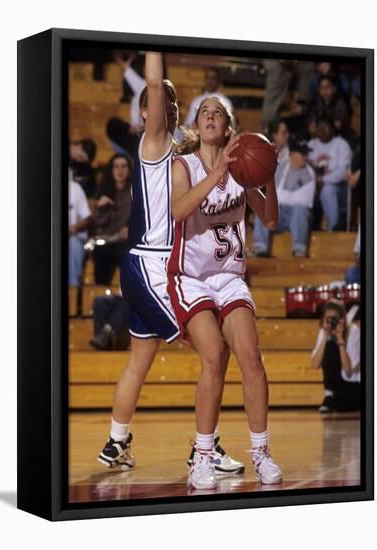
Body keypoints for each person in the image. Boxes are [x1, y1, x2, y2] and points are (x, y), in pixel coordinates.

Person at [97, 53, 243, 477]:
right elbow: (157, 87)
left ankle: (115, 442)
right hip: (153, 266)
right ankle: (205, 448)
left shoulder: (180, 150)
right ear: (146, 110)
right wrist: (154, 44)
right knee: (215, 351)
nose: (172, 107)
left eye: (178, 103)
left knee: (139, 361)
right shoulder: (153, 140)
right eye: (164, 101)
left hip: (149, 266)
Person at [168, 96, 282, 489]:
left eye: (218, 112)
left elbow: (268, 220)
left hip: (230, 276)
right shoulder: (183, 165)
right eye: (205, 112)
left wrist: (267, 173)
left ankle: (262, 453)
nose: (211, 115)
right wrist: (215, 173)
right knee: (215, 355)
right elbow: (179, 211)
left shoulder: (240, 169)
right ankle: (202, 457)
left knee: (251, 357)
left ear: (230, 128)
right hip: (191, 277)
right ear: (197, 128)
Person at [252, 138, 316, 258]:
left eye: (306, 153)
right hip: (279, 214)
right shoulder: (279, 167)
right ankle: (260, 248)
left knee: (300, 209)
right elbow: (272, 195)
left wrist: (282, 196)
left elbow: (305, 201)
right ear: (291, 154)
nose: (305, 156)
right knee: (263, 207)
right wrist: (288, 196)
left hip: (296, 216)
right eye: (302, 153)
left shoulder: (310, 173)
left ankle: (299, 249)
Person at [312, 299, 360, 413]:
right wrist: (325, 336)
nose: (332, 323)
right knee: (328, 346)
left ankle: (332, 399)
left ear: (342, 319)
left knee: (333, 346)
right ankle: (330, 395)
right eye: (329, 319)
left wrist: (340, 340)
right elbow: (315, 364)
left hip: (353, 385)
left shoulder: (353, 330)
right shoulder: (324, 331)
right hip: (335, 387)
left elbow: (349, 370)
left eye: (335, 319)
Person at [93, 153, 132, 285]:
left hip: (126, 242)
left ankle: (126, 294)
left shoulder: (135, 192)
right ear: (111, 170)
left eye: (123, 166)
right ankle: (101, 292)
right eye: (116, 167)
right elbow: (98, 223)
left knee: (127, 252)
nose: (120, 171)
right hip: (106, 241)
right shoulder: (103, 190)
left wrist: (130, 228)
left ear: (129, 169)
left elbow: (142, 217)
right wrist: (101, 207)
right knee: (101, 252)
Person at [308, 117, 352, 231]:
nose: (322, 130)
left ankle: (333, 230)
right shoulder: (311, 144)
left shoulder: (341, 144)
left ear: (333, 129)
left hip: (340, 188)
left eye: (325, 127)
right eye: (319, 128)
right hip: (315, 187)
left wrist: (322, 181)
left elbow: (343, 173)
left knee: (327, 190)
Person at [106, 52, 146, 157]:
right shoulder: (143, 87)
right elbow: (127, 71)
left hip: (148, 137)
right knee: (113, 125)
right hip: (136, 134)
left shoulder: (160, 95)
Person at [261, 59, 314, 131]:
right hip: (276, 61)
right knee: (273, 100)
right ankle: (268, 132)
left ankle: (301, 109)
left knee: (308, 65)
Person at [69, 168, 92, 287]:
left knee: (73, 244)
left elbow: (87, 218)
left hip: (73, 235)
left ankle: (72, 288)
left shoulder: (75, 188)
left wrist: (74, 228)